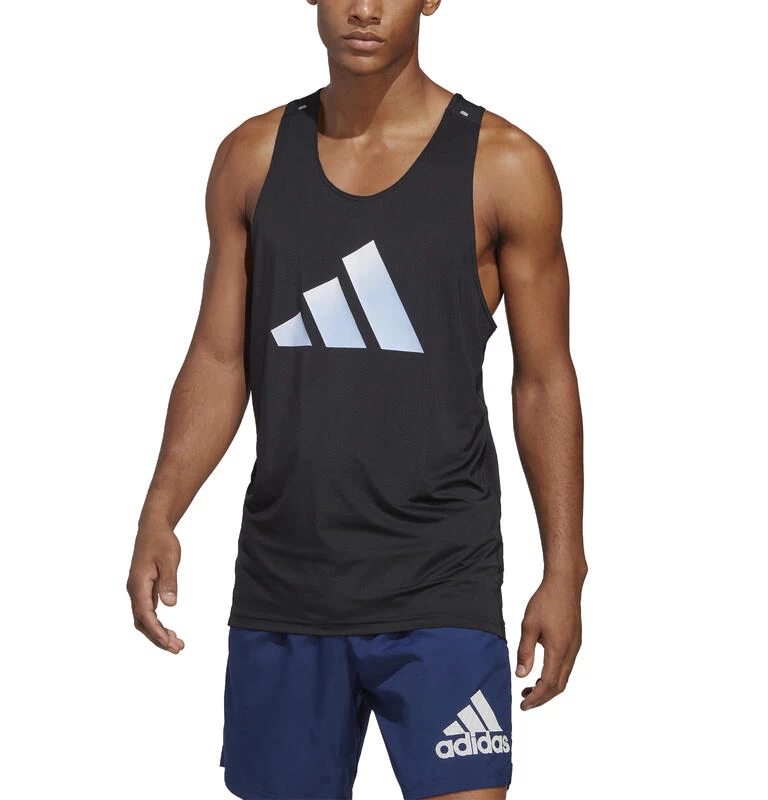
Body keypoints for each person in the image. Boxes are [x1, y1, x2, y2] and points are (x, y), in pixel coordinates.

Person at [126, 1, 587, 798]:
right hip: (286, 588)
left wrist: (566, 568)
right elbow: (219, 355)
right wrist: (160, 510)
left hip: (442, 584)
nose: (365, 8)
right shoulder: (251, 159)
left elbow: (544, 378)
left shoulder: (504, 166)